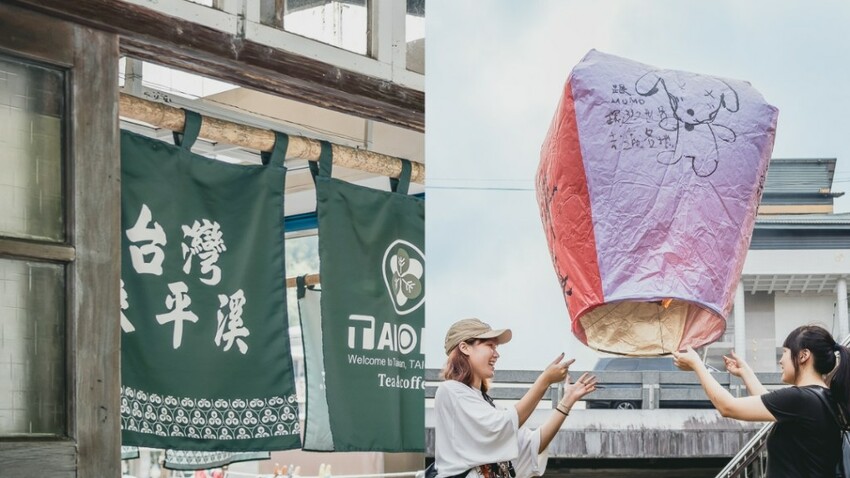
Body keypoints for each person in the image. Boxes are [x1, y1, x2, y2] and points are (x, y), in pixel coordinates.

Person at [672, 324, 849, 477]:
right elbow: (770, 402)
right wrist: (745, 372)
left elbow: (728, 407)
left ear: (803, 356)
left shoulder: (801, 399)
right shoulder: (822, 397)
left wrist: (697, 365)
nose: (781, 360)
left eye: (785, 353)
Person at [433, 318, 597, 478]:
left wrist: (567, 401)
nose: (496, 354)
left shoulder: (488, 405)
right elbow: (500, 426)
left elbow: (533, 444)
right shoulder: (450, 391)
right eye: (490, 345)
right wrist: (544, 380)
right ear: (465, 347)